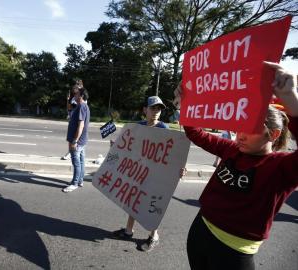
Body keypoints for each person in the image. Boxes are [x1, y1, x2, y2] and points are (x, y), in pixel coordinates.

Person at [174, 61, 298, 270]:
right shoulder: (232, 149)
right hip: (200, 230)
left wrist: (293, 102)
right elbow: (197, 133)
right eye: (239, 126)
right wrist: (187, 104)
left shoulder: (282, 167)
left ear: (273, 134)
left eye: (249, 129)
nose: (239, 135)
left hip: (234, 252)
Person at [112, 96, 182, 252]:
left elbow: (173, 153)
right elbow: (132, 148)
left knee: (153, 205)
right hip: (139, 172)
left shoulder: (164, 129)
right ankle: (128, 231)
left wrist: (179, 168)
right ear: (145, 110)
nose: (156, 112)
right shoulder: (139, 126)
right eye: (153, 108)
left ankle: (153, 236)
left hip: (156, 176)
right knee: (133, 200)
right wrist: (118, 148)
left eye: (159, 109)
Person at [62, 87, 90, 193]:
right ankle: (80, 180)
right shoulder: (81, 106)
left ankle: (74, 183)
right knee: (81, 161)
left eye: (77, 93)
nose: (74, 95)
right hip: (82, 140)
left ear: (81, 95)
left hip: (77, 140)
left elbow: (81, 125)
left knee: (76, 162)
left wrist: (74, 140)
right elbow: (69, 109)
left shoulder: (82, 106)